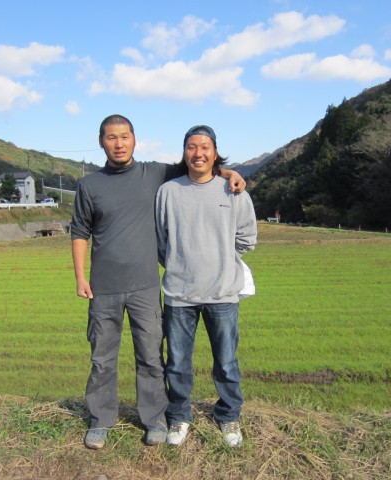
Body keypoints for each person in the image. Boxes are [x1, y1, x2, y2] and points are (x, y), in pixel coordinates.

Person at [70, 115, 246, 449]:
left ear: (135, 140)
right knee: (101, 358)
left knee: (151, 357)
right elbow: (80, 232)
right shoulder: (89, 185)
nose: (119, 143)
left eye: (124, 136)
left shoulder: (154, 174)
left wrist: (228, 172)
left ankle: (154, 420)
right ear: (101, 142)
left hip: (146, 286)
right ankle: (100, 420)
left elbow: (197, 165)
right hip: (103, 286)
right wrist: (80, 277)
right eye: (111, 138)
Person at [155, 125, 257, 448]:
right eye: (191, 147)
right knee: (177, 363)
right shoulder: (167, 192)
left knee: (226, 361)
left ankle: (228, 416)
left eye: (205, 147)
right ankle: (179, 417)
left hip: (223, 294)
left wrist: (222, 259)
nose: (198, 153)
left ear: (215, 152)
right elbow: (161, 241)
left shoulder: (234, 191)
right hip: (179, 295)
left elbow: (247, 239)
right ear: (184, 152)